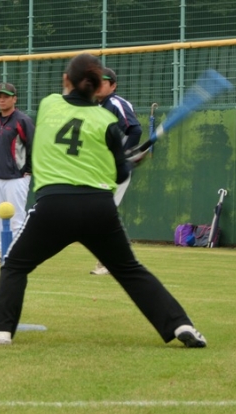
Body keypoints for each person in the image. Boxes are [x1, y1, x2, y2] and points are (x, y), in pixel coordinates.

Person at [0, 53, 206, 349]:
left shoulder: (49, 105)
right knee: (130, 270)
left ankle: (1, 330)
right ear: (98, 88)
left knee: (15, 266)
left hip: (54, 206)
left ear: (66, 81)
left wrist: (123, 160)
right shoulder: (107, 120)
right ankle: (181, 324)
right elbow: (120, 173)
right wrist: (131, 161)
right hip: (98, 208)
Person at [90, 67, 143, 275]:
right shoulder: (95, 107)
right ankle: (118, 258)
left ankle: (108, 261)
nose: (98, 85)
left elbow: (135, 129)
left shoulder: (115, 103)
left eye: (104, 81)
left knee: (103, 213)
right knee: (101, 214)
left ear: (113, 85)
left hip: (114, 169)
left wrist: (122, 156)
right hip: (101, 168)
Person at [0, 82, 34, 265]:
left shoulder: (22, 120)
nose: (2, 99)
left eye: (6, 96)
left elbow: (32, 147)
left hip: (17, 177)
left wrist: (27, 171)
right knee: (0, 219)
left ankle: (17, 255)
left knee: (17, 219)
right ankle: (3, 252)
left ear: (14, 99)